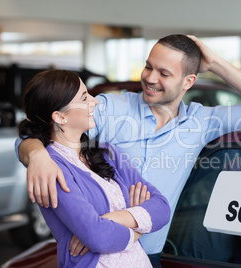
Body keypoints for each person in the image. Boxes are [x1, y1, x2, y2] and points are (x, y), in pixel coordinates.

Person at [16, 34, 241, 266]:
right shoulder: (111, 109)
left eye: (164, 73)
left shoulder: (202, 122)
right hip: (97, 255)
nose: (149, 78)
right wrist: (36, 155)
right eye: (148, 66)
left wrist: (215, 62)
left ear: (188, 81)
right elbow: (42, 127)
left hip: (150, 256)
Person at [17, 69, 170, 267]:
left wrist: (109, 219)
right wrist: (139, 227)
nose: (94, 101)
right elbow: (98, 237)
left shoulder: (108, 152)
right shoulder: (51, 168)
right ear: (60, 117)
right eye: (84, 97)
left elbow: (162, 208)